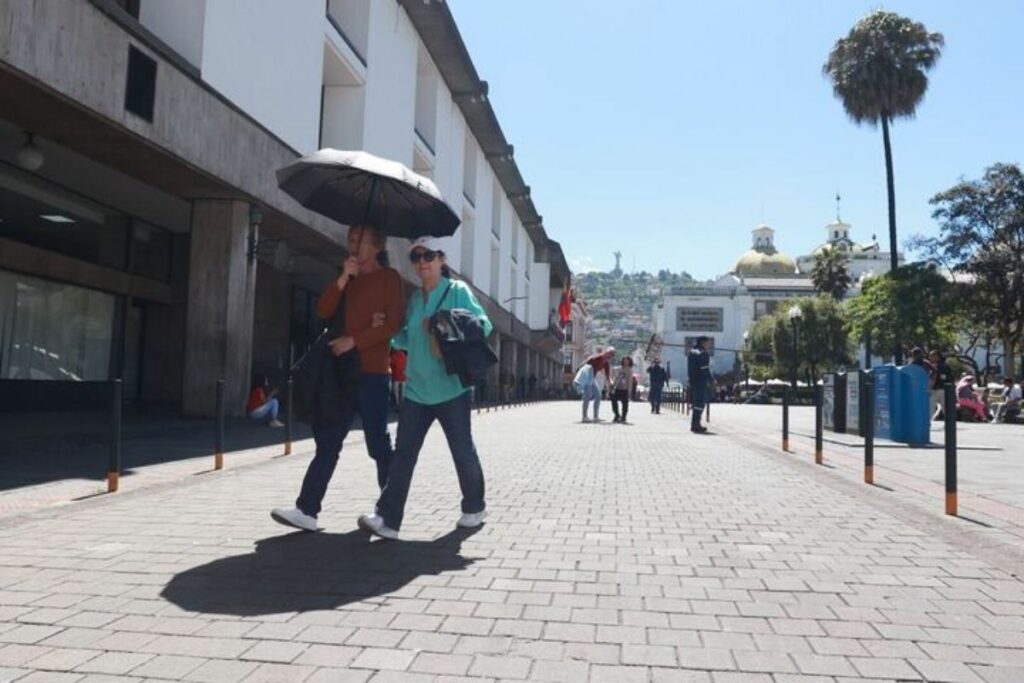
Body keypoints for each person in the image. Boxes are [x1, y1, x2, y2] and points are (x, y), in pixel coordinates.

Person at [271, 225, 405, 532]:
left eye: (360, 240)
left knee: (378, 445)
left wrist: (354, 340)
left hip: (371, 373)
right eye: (350, 239)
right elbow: (323, 309)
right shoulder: (348, 276)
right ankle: (307, 510)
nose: (353, 245)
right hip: (340, 372)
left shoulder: (390, 278)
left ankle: (389, 516)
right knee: (329, 441)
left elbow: (392, 324)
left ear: (377, 245)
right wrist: (344, 277)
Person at [358, 237, 492, 540]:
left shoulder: (457, 291)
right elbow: (407, 339)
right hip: (417, 389)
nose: (421, 262)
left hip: (452, 388)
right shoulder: (415, 299)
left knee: (462, 451)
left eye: (428, 256)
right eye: (416, 257)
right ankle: (388, 519)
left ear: (442, 259)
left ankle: (475, 507)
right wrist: (388, 330)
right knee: (404, 455)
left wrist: (443, 321)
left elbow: (483, 325)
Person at [575, 348, 614, 422]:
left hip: (592, 378)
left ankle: (595, 417)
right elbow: (586, 362)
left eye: (611, 355)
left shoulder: (606, 364)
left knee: (598, 396)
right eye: (608, 353)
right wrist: (579, 370)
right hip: (587, 377)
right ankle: (584, 417)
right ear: (605, 352)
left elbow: (607, 375)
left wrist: (611, 382)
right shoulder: (598, 357)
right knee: (588, 396)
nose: (609, 356)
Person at [688, 337, 712, 434]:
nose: (708, 345)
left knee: (697, 403)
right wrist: (711, 380)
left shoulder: (692, 352)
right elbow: (705, 369)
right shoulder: (702, 354)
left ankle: (695, 424)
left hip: (693, 381)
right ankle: (696, 424)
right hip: (701, 381)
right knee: (700, 403)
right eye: (707, 343)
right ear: (702, 342)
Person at [929, 349, 954, 420]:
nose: (930, 358)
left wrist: (931, 386)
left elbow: (937, 377)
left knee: (931, 407)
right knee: (945, 408)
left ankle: (927, 424)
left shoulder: (939, 366)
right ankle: (949, 424)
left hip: (937, 389)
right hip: (942, 389)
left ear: (937, 356)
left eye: (931, 356)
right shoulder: (944, 365)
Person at [610, 356, 633, 423]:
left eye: (627, 361)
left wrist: (629, 390)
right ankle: (617, 415)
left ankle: (623, 417)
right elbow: (615, 376)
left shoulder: (629, 369)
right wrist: (613, 385)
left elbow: (630, 380)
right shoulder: (619, 368)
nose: (626, 362)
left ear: (629, 362)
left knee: (625, 404)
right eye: (624, 361)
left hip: (625, 388)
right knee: (614, 401)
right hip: (617, 387)